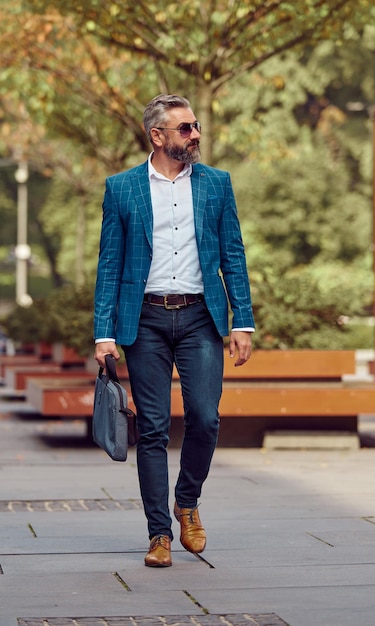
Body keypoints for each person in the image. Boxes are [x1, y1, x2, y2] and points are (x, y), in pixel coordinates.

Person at [94, 94, 254, 567]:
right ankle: (159, 534)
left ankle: (187, 501)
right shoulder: (121, 188)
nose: (196, 135)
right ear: (157, 135)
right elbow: (109, 266)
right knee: (154, 429)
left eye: (196, 126)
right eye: (185, 128)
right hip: (143, 320)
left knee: (205, 418)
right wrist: (104, 333)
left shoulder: (215, 184)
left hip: (200, 317)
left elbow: (234, 255)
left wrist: (240, 320)